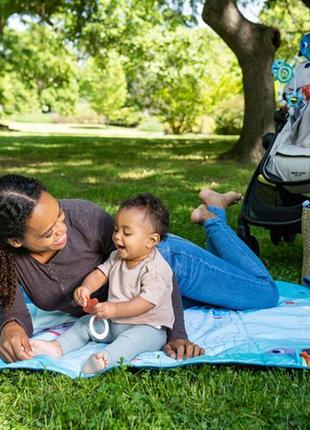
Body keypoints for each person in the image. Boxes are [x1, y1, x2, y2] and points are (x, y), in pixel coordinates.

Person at [0, 174, 279, 364]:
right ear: (15, 240)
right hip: (139, 303)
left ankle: (213, 218)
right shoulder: (8, 260)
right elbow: (12, 308)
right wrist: (10, 328)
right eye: (49, 232)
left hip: (172, 264)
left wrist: (177, 334)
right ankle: (213, 216)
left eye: (59, 214)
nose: (62, 229)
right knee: (225, 293)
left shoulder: (83, 216)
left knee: (264, 293)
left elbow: (157, 271)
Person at [30, 193, 175, 374]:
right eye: (116, 230)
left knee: (130, 342)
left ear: (151, 240)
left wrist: (114, 309)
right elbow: (100, 274)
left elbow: (145, 303)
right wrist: (86, 287)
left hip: (148, 327)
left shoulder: (156, 269)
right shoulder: (117, 257)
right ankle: (57, 347)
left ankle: (105, 359)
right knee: (84, 325)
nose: (117, 237)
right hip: (113, 322)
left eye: (127, 233)